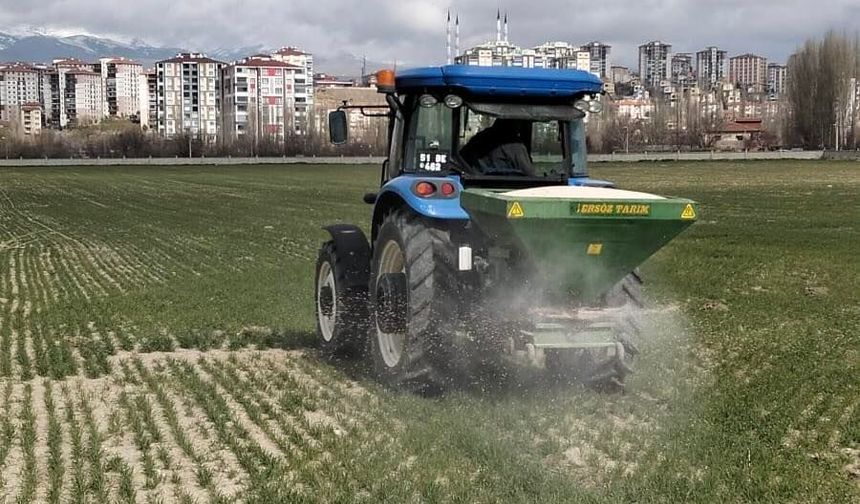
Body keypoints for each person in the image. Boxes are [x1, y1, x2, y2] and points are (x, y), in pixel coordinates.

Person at [459, 118, 536, 176]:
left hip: (475, 182)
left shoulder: (478, 139)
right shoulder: (515, 145)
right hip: (508, 187)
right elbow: (529, 174)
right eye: (519, 124)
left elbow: (460, 160)